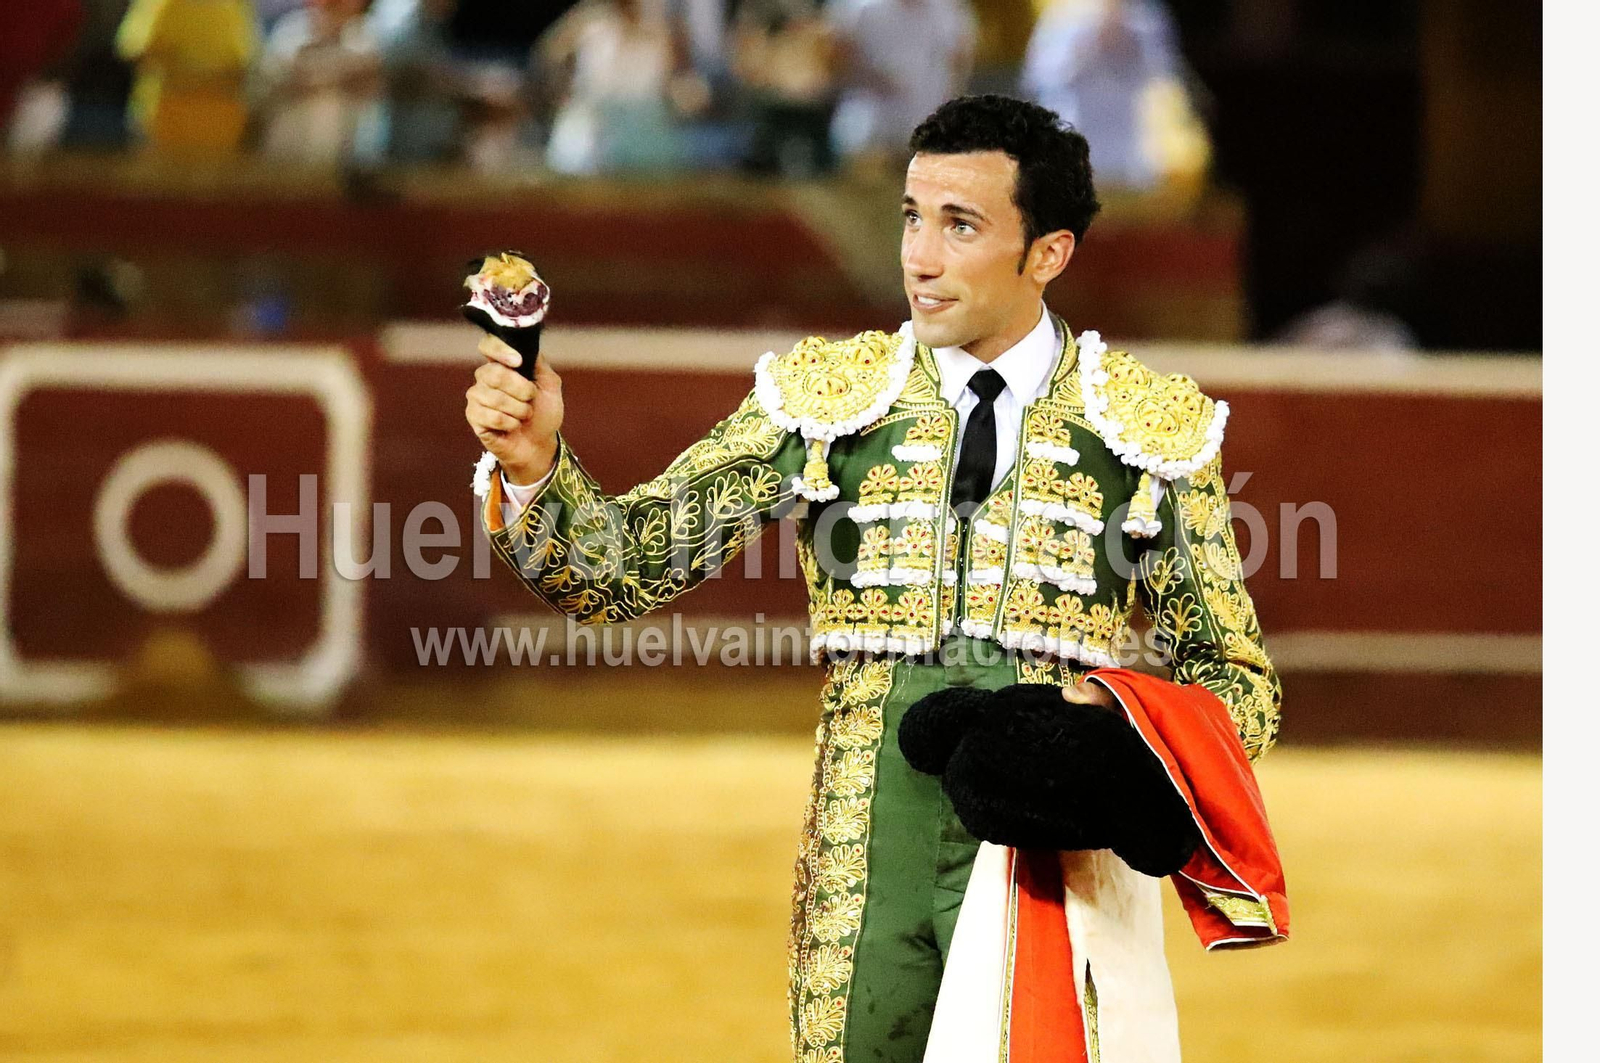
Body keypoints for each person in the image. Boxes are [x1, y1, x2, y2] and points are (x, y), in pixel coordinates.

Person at [464, 94, 1285, 1062]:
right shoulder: (827, 399)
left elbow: (1238, 684)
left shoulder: (1144, 427)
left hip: (1053, 856)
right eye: (910, 216)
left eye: (960, 224)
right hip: (867, 855)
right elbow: (622, 570)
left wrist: (1106, 731)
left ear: (1048, 254)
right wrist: (532, 465)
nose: (919, 257)